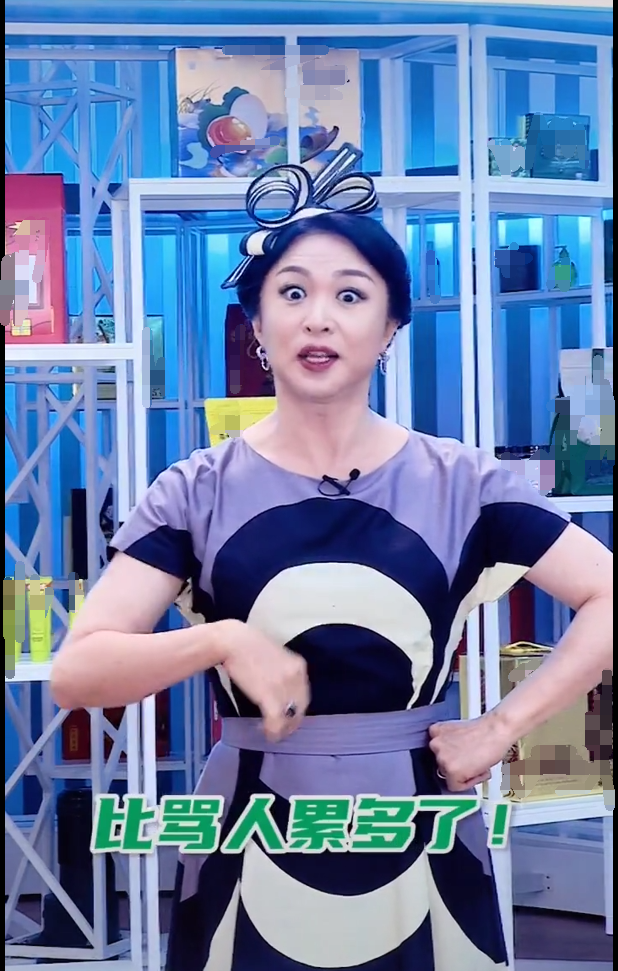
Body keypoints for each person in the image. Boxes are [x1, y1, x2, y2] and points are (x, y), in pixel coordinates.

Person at [51, 145, 613, 971]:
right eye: (293, 293)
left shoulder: (463, 482)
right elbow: (78, 674)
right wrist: (220, 640)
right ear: (256, 324)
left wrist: (500, 729)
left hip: (417, 815)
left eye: (350, 295)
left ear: (389, 329)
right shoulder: (194, 490)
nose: (318, 319)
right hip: (251, 819)